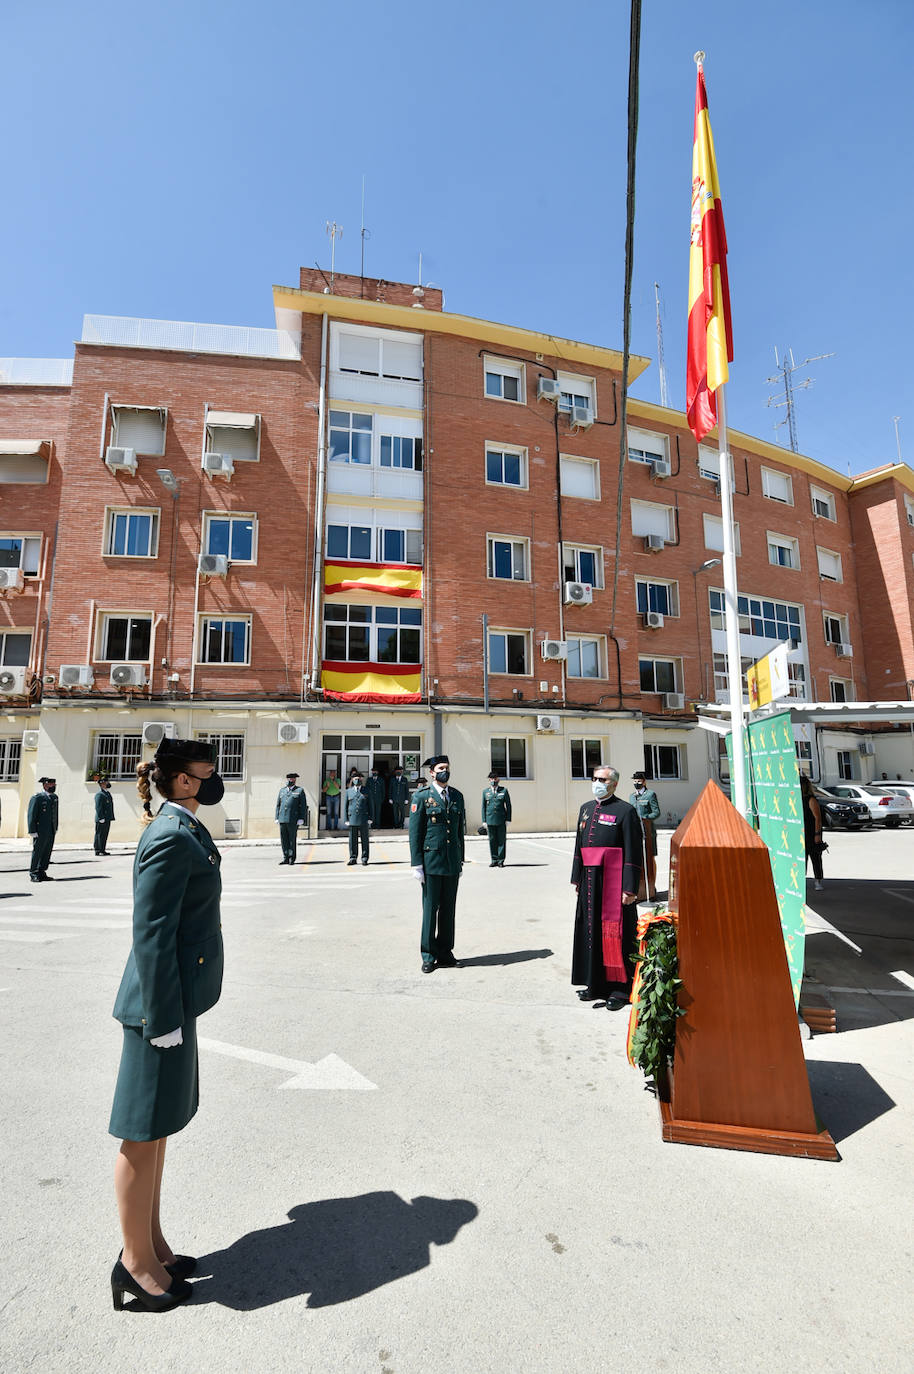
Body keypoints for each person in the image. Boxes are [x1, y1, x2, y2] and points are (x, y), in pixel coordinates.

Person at [108, 738, 225, 1312]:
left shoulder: (186, 828)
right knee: (140, 1130)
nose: (215, 779)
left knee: (158, 1129)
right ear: (182, 781)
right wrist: (160, 1017)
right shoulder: (169, 836)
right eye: (208, 772)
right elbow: (150, 932)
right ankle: (133, 1263)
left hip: (177, 1000)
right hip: (161, 1005)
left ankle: (154, 1246)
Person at [571, 764, 643, 1010]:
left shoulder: (626, 811)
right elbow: (579, 847)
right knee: (590, 932)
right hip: (590, 881)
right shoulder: (586, 809)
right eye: (594, 778)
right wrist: (577, 878)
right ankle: (595, 984)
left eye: (602, 779)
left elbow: (634, 851)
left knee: (615, 934)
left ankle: (619, 990)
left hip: (613, 883)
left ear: (614, 784)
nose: (597, 782)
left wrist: (630, 887)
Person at [409, 755, 465, 973]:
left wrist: (460, 858)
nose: (445, 771)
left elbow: (459, 830)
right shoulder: (422, 797)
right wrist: (417, 864)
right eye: (441, 768)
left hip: (451, 861)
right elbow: (415, 832)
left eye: (447, 768)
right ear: (431, 772)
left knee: (449, 909)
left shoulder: (457, 796)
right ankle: (428, 955)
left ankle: (445, 952)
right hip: (431, 862)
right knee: (430, 909)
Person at [629, 770, 661, 898]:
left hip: (648, 833)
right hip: (636, 833)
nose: (636, 784)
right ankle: (641, 888)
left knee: (650, 858)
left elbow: (656, 812)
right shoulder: (632, 796)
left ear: (644, 782)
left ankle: (652, 886)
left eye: (639, 781)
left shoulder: (650, 794)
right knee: (638, 860)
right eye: (635, 782)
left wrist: (646, 818)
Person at [28, 776, 58, 882]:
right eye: (51, 785)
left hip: (50, 829)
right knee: (38, 851)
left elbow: (55, 814)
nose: (53, 786)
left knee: (47, 851)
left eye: (54, 785)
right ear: (45, 785)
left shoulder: (54, 797)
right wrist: (32, 830)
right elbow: (32, 814)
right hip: (40, 830)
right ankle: (34, 872)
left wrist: (55, 827)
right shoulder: (37, 798)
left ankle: (42, 871)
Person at [275, 772, 308, 865]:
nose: (291, 780)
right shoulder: (282, 791)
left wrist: (302, 818)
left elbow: (303, 806)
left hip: (293, 819)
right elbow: (278, 805)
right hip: (282, 819)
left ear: (295, 780)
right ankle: (285, 857)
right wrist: (277, 817)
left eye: (293, 779)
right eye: (289, 779)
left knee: (291, 839)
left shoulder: (300, 791)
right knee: (284, 839)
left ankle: (291, 858)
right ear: (287, 780)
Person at [800, 773, 825, 891]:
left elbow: (818, 818)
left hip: (811, 833)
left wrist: (817, 834)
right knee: (801, 858)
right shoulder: (798, 800)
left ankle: (818, 880)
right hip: (801, 833)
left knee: (815, 857)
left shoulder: (811, 799)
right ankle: (801, 880)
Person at [481, 771, 512, 867]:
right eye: (491, 779)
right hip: (490, 820)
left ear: (498, 779)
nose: (493, 780)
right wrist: (484, 821)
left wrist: (508, 819)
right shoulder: (485, 792)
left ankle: (501, 860)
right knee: (492, 840)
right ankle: (494, 860)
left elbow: (508, 805)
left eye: (495, 779)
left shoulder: (504, 791)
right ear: (489, 780)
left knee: (501, 840)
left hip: (501, 819)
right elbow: (483, 807)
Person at [344, 771, 371, 866]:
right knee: (352, 840)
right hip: (352, 818)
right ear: (352, 780)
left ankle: (364, 858)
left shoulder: (366, 790)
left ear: (361, 779)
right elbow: (345, 806)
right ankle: (353, 857)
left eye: (359, 779)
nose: (357, 780)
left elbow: (370, 805)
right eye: (355, 779)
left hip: (363, 818)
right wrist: (346, 819)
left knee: (365, 839)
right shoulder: (348, 791)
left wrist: (370, 817)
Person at [94, 776, 115, 855]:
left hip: (107, 818)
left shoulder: (107, 793)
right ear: (102, 784)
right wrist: (101, 817)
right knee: (99, 834)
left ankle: (102, 849)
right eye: (106, 782)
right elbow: (98, 807)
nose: (108, 783)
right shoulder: (100, 794)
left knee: (104, 834)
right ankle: (97, 850)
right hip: (101, 818)